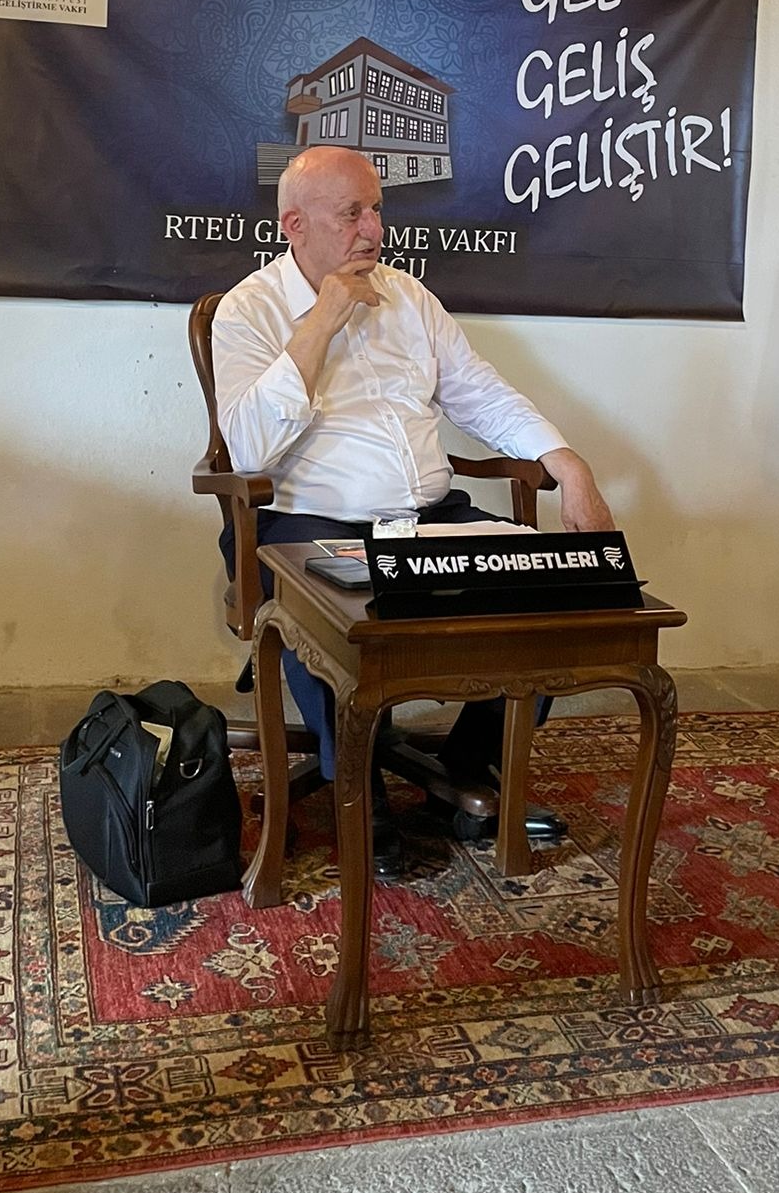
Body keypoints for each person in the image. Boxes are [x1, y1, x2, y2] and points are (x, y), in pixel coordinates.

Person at [212, 145, 615, 878]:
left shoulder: (410, 298)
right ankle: (355, 787)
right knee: (327, 613)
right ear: (295, 225)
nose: (372, 229)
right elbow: (248, 450)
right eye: (351, 214)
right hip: (307, 523)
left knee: (554, 590)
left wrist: (568, 464)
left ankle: (467, 770)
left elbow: (479, 394)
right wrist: (321, 322)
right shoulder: (248, 310)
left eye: (377, 210)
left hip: (425, 516)